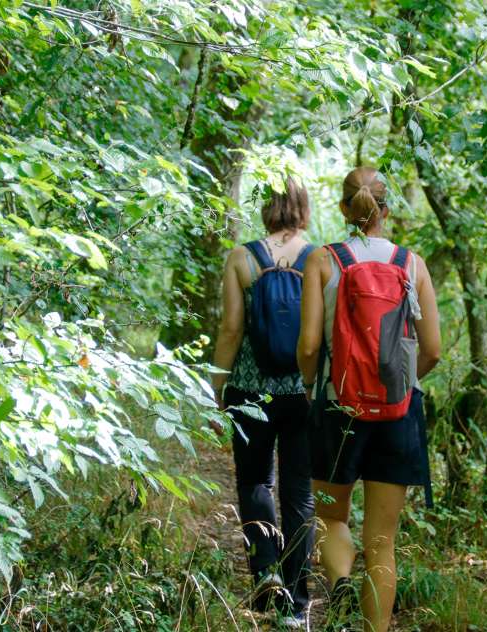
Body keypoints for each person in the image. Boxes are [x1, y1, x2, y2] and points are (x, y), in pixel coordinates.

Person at [297, 167, 441, 632]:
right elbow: (434, 349)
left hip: (338, 406)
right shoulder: (411, 262)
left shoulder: (323, 260)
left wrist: (311, 388)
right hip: (399, 414)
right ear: (387, 209)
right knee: (382, 540)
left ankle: (339, 581)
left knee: (327, 517)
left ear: (344, 209)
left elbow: (309, 346)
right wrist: (399, 385)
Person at [211, 178, 315, 629]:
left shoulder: (241, 258)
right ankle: (296, 601)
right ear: (303, 207)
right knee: (299, 496)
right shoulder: (322, 260)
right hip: (302, 394)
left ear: (265, 208)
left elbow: (231, 330)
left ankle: (265, 572)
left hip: (252, 391)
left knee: (254, 483)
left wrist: (217, 386)